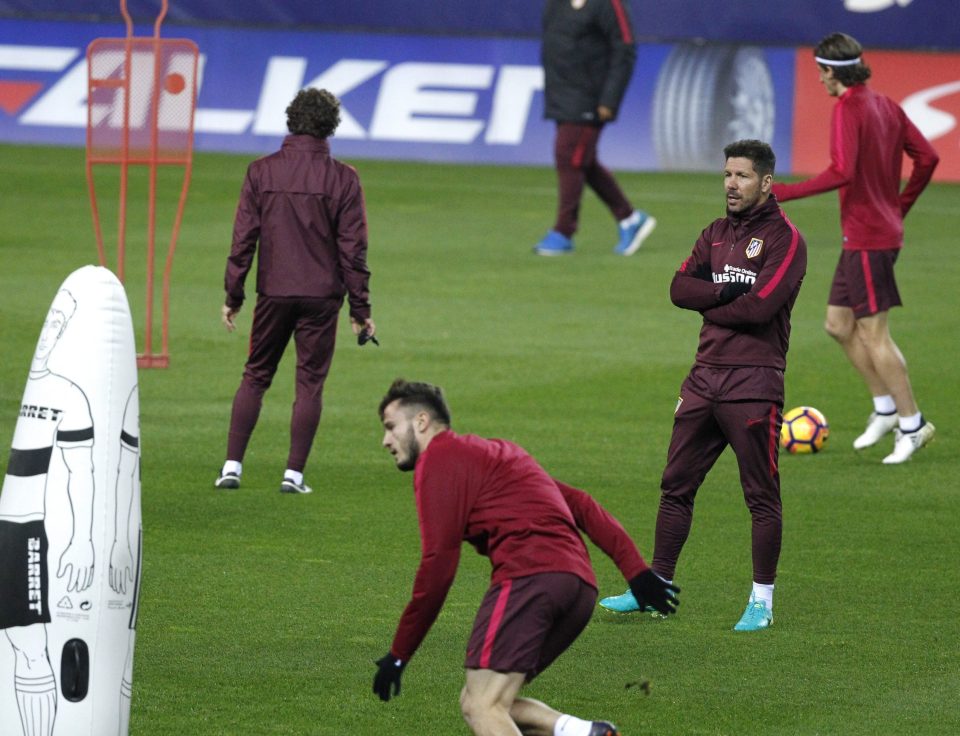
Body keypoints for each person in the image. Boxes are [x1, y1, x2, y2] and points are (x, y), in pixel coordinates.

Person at [372, 379, 679, 736]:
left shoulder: (437, 461)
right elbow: (580, 503)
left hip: (530, 578)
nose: (386, 440)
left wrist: (399, 653)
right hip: (578, 588)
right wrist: (636, 573)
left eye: (391, 427)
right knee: (480, 700)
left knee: (484, 707)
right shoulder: (499, 453)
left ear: (421, 421)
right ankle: (585, 732)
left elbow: (438, 564)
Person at [600, 140, 807, 632]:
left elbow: (760, 309)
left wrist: (707, 300)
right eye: (727, 175)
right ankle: (655, 586)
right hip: (703, 377)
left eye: (742, 176)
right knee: (675, 486)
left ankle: (762, 601)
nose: (731, 185)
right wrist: (724, 292)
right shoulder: (714, 233)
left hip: (754, 384)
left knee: (760, 494)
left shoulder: (785, 241)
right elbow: (677, 289)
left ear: (766, 183)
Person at [771, 32, 939, 465]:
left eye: (820, 73)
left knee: (875, 334)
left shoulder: (847, 108)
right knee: (838, 323)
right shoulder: (885, 104)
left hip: (869, 236)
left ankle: (913, 424)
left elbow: (842, 171)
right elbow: (928, 158)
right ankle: (885, 410)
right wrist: (899, 205)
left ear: (830, 72)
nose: (820, 80)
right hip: (871, 233)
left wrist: (784, 193)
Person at [215, 88, 376, 494]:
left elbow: (242, 240)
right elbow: (353, 250)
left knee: (255, 376)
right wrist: (361, 308)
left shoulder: (261, 172)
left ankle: (231, 467)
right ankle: (293, 475)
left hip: (274, 292)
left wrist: (234, 295)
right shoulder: (344, 178)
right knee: (309, 384)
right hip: (322, 298)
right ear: (331, 126)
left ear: (291, 119)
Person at [533, 0, 656, 256]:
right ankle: (630, 218)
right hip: (561, 95)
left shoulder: (609, 5)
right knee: (582, 160)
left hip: (591, 97)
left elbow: (625, 49)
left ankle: (563, 231)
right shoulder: (556, 4)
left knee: (569, 156)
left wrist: (609, 99)